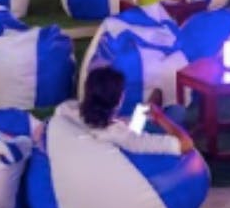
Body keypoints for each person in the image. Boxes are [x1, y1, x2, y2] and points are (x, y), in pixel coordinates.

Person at [48, 64, 196, 159]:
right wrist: (160, 117)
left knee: (150, 103)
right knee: (177, 111)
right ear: (119, 100)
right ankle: (155, 111)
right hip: (126, 135)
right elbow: (186, 144)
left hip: (114, 126)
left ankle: (149, 107)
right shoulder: (127, 139)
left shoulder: (64, 109)